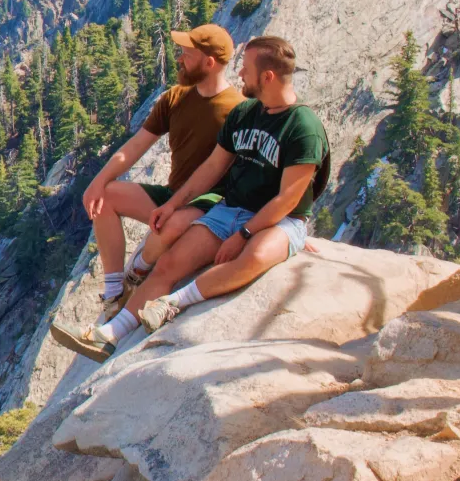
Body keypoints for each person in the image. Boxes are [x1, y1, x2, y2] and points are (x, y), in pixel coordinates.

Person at [53, 35, 330, 361]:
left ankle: (174, 303)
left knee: (255, 256)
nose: (240, 73)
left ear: (267, 77)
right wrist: (172, 205)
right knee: (170, 263)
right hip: (230, 210)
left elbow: (287, 199)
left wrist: (244, 234)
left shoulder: (302, 126)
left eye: (248, 69)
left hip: (279, 221)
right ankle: (108, 336)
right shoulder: (246, 114)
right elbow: (212, 167)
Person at [79, 23, 243, 320]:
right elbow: (136, 145)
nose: (179, 59)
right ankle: (115, 291)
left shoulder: (238, 110)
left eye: (187, 54)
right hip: (171, 195)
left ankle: (136, 272)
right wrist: (99, 181)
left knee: (170, 225)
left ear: (209, 62)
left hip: (207, 205)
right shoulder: (175, 98)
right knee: (106, 196)